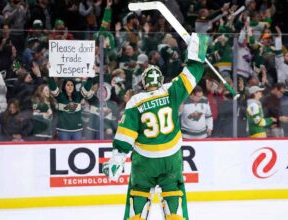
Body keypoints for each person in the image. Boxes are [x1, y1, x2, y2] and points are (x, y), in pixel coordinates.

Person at [103, 33, 209, 220]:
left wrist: (117, 159)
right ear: (160, 81)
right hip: (171, 159)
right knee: (173, 196)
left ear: (143, 83)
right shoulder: (171, 91)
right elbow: (193, 71)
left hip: (145, 161)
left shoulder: (136, 101)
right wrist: (197, 49)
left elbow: (126, 133)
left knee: (139, 194)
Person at [48, 76, 97, 140]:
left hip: (77, 130)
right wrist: (51, 77)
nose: (70, 87)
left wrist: (90, 77)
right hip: (63, 130)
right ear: (64, 87)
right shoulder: (60, 96)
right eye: (68, 85)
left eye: (72, 85)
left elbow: (87, 88)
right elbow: (53, 87)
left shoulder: (78, 96)